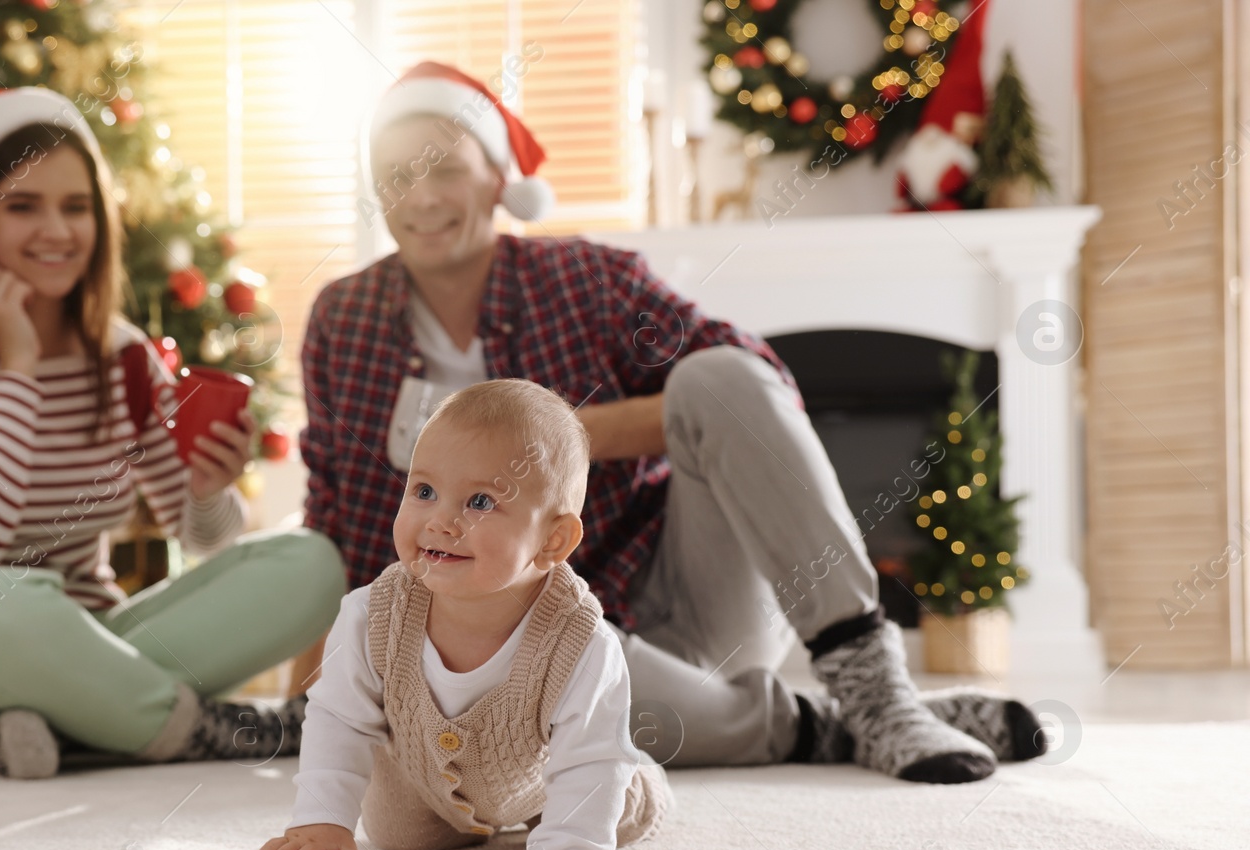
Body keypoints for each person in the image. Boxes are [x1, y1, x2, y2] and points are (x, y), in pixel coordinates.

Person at [296, 62, 1047, 786]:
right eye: (396, 174)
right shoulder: (343, 320)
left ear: (499, 178)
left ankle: (875, 687)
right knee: (547, 722)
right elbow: (334, 514)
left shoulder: (590, 279)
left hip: (689, 596)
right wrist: (315, 687)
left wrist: (556, 443)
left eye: (445, 168)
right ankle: (844, 723)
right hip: (526, 645)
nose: (419, 195)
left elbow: (760, 381)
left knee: (716, 374)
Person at [0, 87, 344, 778]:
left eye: (76, 206)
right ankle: (202, 730)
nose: (57, 231)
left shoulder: (121, 357)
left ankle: (68, 729)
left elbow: (203, 540)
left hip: (93, 642)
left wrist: (208, 492)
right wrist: (20, 372)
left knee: (311, 564)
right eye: (23, 206)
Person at [254, 380, 670, 850]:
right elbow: (339, 718)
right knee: (399, 836)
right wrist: (320, 817)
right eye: (423, 491)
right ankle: (456, 820)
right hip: (424, 779)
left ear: (553, 541)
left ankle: (636, 781)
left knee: (619, 808)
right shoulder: (371, 615)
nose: (441, 521)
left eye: (480, 502)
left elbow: (589, 762)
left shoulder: (580, 642)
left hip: (544, 775)